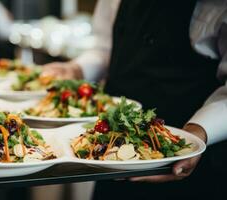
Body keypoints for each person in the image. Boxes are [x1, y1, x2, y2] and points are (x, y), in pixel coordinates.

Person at [43, 0, 227, 199]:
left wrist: (196, 134)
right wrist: (77, 69)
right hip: (110, 155)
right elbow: (104, 48)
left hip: (186, 155)